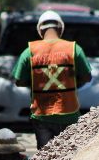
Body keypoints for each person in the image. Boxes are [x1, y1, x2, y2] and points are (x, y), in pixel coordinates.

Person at [12, 10, 92, 149]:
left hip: (42, 116)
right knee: (68, 157)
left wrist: (38, 82)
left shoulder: (29, 51)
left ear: (40, 30)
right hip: (70, 114)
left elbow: (18, 80)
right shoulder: (73, 49)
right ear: (60, 29)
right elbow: (87, 76)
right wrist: (72, 82)